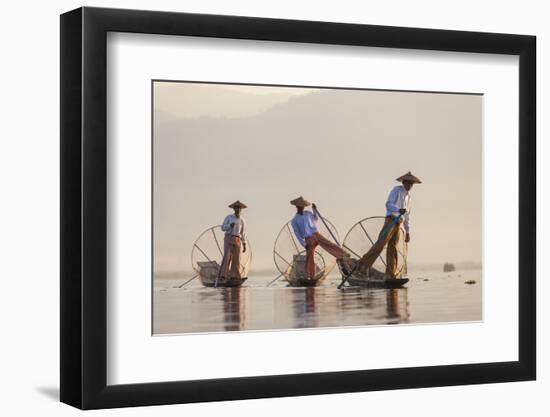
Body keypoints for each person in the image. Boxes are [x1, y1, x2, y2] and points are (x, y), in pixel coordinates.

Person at [357, 171, 421, 278]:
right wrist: (398, 209)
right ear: (404, 182)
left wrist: (408, 231)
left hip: (398, 223)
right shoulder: (396, 190)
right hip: (391, 220)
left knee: (393, 248)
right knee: (381, 244)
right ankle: (362, 265)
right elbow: (388, 204)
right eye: (408, 183)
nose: (410, 185)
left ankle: (390, 274)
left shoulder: (409, 198)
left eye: (411, 184)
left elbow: (407, 216)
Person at [290, 196, 349, 280]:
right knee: (310, 257)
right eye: (300, 206)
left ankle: (343, 254)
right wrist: (304, 244)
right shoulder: (294, 220)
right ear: (296, 207)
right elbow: (297, 234)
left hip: (316, 234)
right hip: (308, 238)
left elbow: (316, 219)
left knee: (328, 244)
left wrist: (314, 210)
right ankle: (311, 276)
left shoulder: (308, 213)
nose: (301, 207)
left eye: (302, 206)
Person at [220, 200, 247, 279]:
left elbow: (243, 233)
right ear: (234, 209)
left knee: (236, 258)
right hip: (229, 237)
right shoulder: (229, 217)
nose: (238, 209)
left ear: (241, 209)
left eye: (239, 208)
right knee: (227, 256)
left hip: (237, 239)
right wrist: (229, 226)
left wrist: (244, 244)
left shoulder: (242, 220)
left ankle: (234, 276)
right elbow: (222, 228)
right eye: (236, 208)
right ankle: (223, 276)